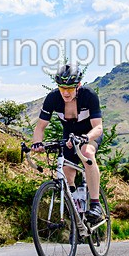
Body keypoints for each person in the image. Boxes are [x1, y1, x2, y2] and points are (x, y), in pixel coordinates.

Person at [31, 63, 104, 223]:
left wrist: (85, 138)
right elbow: (40, 127)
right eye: (62, 87)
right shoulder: (53, 98)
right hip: (69, 137)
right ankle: (76, 208)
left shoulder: (89, 95)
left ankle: (95, 204)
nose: (65, 92)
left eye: (70, 88)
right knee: (67, 172)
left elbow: (98, 127)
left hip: (89, 135)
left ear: (78, 85)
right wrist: (37, 143)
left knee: (87, 153)